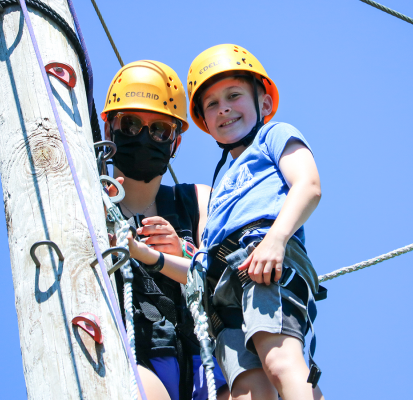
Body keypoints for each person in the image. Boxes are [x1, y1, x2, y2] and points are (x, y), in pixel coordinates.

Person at [127, 45, 327, 400]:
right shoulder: (219, 186)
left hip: (261, 260)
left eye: (234, 96)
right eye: (212, 105)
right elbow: (198, 270)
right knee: (246, 390)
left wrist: (276, 240)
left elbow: (308, 186)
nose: (225, 109)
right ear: (205, 123)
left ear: (264, 104)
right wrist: (151, 257)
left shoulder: (273, 136)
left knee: (281, 361)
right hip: (221, 287)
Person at [101, 60, 229, 400]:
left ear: (175, 142)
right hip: (135, 358)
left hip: (209, 360)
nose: (144, 137)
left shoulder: (196, 201)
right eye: (129, 124)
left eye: (159, 129)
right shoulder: (87, 205)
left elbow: (228, 277)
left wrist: (181, 251)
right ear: (107, 129)